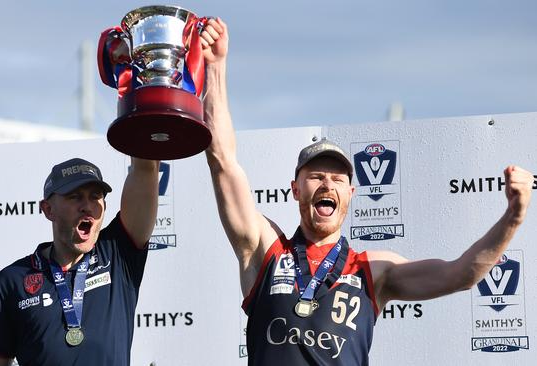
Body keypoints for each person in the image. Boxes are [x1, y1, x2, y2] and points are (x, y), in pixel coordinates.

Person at [200, 19, 534, 365]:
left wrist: (514, 217)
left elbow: (461, 274)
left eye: (338, 179)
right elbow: (222, 161)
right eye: (316, 176)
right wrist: (215, 66)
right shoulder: (266, 248)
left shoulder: (373, 270)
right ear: (296, 190)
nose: (327, 184)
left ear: (351, 194)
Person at [0, 157, 159, 366]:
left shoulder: (118, 252)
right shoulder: (13, 280)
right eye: (75, 197)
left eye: (95, 197)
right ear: (48, 209)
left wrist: (145, 132)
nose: (87, 207)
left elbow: (145, 169)